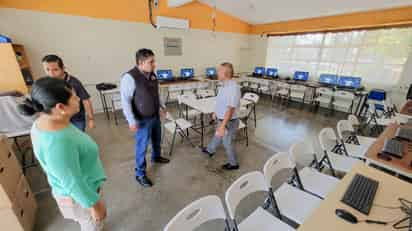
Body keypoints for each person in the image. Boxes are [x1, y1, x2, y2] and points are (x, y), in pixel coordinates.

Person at [18, 78, 107, 231]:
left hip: (83, 189)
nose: (78, 98)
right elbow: (72, 182)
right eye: (73, 97)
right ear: (60, 107)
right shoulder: (58, 142)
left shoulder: (47, 121)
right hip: (80, 197)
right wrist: (95, 205)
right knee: (91, 225)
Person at [120, 48, 170, 188]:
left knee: (156, 139)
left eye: (154, 61)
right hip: (141, 119)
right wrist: (131, 121)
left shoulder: (152, 75)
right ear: (141, 62)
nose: (154, 64)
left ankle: (156, 156)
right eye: (151, 62)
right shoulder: (129, 77)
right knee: (142, 147)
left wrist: (162, 106)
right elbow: (125, 101)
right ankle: (140, 174)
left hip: (154, 115)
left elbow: (156, 93)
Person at [201, 62, 241, 170]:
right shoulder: (223, 85)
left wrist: (223, 125)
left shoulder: (233, 88)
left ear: (226, 73)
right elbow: (220, 102)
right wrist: (215, 112)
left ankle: (233, 164)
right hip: (221, 118)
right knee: (217, 135)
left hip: (228, 121)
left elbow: (230, 109)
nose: (216, 73)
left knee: (227, 143)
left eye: (219, 71)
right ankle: (210, 150)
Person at [42, 55, 95, 131]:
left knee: (77, 138)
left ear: (63, 68)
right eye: (47, 70)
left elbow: (85, 100)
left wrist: (91, 119)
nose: (51, 74)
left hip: (76, 118)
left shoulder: (74, 83)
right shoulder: (47, 83)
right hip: (59, 119)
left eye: (55, 70)